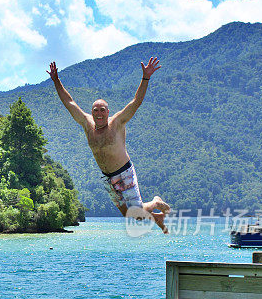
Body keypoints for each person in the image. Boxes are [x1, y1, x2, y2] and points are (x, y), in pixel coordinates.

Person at [47, 57, 170, 233]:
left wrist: (146, 78)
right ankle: (157, 217)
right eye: (95, 110)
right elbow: (69, 102)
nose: (98, 113)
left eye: (102, 110)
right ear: (91, 112)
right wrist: (56, 81)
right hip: (107, 177)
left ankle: (156, 202)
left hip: (124, 172)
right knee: (129, 216)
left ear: (108, 112)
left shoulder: (117, 123)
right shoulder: (86, 123)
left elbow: (136, 102)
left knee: (135, 214)